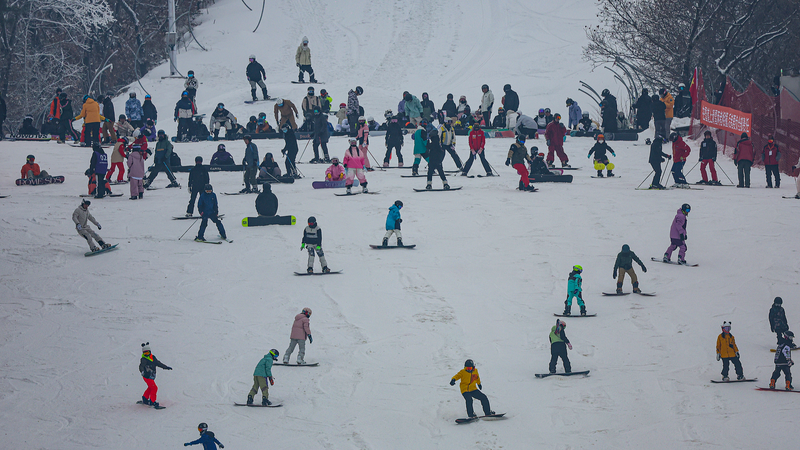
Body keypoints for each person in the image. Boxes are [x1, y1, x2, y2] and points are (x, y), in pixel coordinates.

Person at [139, 342, 172, 408]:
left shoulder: (153, 357)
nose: (146, 354)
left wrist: (165, 367)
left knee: (150, 387)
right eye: (145, 353)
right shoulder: (143, 359)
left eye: (147, 353)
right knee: (154, 388)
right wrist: (142, 371)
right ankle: (152, 401)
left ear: (150, 352)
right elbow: (141, 366)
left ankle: (145, 398)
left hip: (151, 375)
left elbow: (158, 363)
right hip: (147, 376)